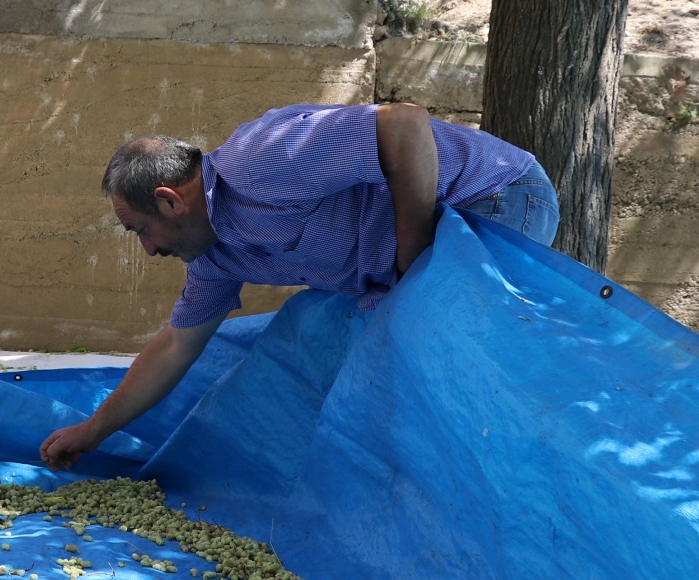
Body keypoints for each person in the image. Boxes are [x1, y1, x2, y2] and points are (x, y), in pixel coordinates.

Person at [39, 102, 559, 470]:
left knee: (449, 355)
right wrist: (94, 429)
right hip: (418, 262)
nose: (148, 250)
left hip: (493, 194)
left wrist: (413, 254)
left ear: (171, 200)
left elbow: (404, 125)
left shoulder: (261, 160)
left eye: (141, 231)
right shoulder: (216, 257)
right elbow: (177, 345)